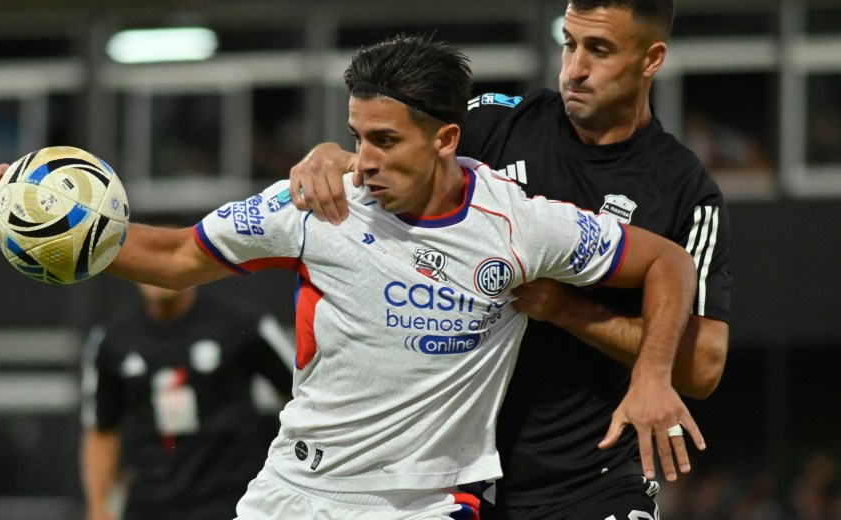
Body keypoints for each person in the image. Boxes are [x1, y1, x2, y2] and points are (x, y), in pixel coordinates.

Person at [0, 34, 702, 519]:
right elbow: (174, 257)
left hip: (430, 501)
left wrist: (653, 375)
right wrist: (57, 226)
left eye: (386, 141)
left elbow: (667, 261)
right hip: (296, 490)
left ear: (446, 138)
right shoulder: (318, 204)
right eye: (356, 137)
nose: (364, 160)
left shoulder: (521, 225)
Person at [288, 2, 732, 519]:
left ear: (651, 58)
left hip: (588, 480)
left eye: (600, 50)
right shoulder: (498, 124)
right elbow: (396, 150)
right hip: (449, 477)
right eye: (569, 43)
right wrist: (329, 156)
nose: (575, 69)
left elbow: (702, 366)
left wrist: (568, 310)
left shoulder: (684, 188)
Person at [80, 280, 293, 520]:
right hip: (149, 505)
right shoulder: (113, 342)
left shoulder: (241, 325)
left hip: (234, 501)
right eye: (149, 257)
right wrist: (98, 506)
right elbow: (102, 430)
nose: (156, 271)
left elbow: (302, 393)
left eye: (165, 253)